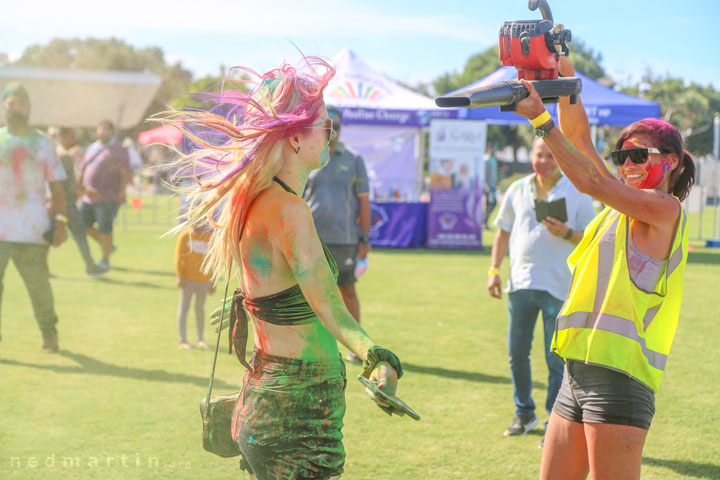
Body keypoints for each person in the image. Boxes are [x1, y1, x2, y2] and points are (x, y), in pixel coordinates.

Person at [165, 57, 402, 479]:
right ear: (295, 138)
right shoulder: (290, 210)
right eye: (324, 125)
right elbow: (328, 303)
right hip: (298, 410)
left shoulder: (251, 201)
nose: (330, 134)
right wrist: (374, 356)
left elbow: (265, 290)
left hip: (263, 402)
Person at [515, 57, 694, 480]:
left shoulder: (665, 209)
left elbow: (590, 181)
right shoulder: (620, 199)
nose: (627, 163)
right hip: (577, 369)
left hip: (619, 377)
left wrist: (540, 117)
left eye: (638, 154)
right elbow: (578, 136)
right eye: (621, 155)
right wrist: (563, 70)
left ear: (672, 162)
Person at [487, 137, 596, 443]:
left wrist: (567, 233)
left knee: (554, 360)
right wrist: (494, 270)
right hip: (520, 284)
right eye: (539, 155)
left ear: (560, 158)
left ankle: (554, 421)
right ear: (531, 156)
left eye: (551, 155)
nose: (545, 161)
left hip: (558, 286)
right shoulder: (518, 189)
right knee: (516, 354)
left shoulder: (578, 192)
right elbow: (502, 232)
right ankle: (524, 414)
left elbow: (591, 239)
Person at [0, 83, 68, 353]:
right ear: (4, 106)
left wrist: (60, 222)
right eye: (12, 103)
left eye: (22, 104)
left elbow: (58, 186)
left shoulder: (42, 143)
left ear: (28, 109)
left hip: (32, 230)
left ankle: (49, 334)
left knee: (39, 289)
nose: (17, 108)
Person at [303, 105, 371, 364]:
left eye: (338, 126)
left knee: (347, 291)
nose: (334, 131)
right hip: (309, 239)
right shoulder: (308, 156)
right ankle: (312, 347)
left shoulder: (354, 159)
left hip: (344, 239)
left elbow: (364, 202)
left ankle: (358, 348)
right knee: (309, 293)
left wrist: (365, 238)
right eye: (329, 126)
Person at [78, 119, 131, 271]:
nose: (103, 132)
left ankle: (105, 259)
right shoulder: (91, 148)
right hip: (88, 196)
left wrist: (122, 192)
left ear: (111, 132)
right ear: (96, 131)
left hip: (108, 197)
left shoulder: (118, 149)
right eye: (101, 129)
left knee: (105, 229)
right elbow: (83, 168)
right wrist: (80, 187)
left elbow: (125, 172)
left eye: (106, 130)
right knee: (82, 225)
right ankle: (107, 245)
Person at [56, 127, 107, 277]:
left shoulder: (60, 154)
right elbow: (62, 182)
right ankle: (90, 266)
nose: (75, 140)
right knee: (78, 235)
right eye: (71, 137)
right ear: (64, 137)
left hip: (63, 203)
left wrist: (84, 190)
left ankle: (41, 269)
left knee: (51, 235)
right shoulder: (63, 156)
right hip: (66, 204)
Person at [174, 224, 214, 349]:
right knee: (184, 309)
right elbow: (178, 257)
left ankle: (200, 339)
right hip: (188, 280)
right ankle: (183, 340)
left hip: (204, 280)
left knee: (200, 309)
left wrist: (213, 281)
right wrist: (180, 276)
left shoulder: (209, 236)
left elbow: (213, 260)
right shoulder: (186, 235)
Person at [484, 144, 499, 228]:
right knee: (491, 203)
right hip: (488, 186)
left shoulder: (493, 159)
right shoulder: (486, 159)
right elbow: (485, 173)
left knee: (492, 203)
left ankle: (484, 221)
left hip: (493, 186)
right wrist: (486, 186)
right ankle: (484, 222)